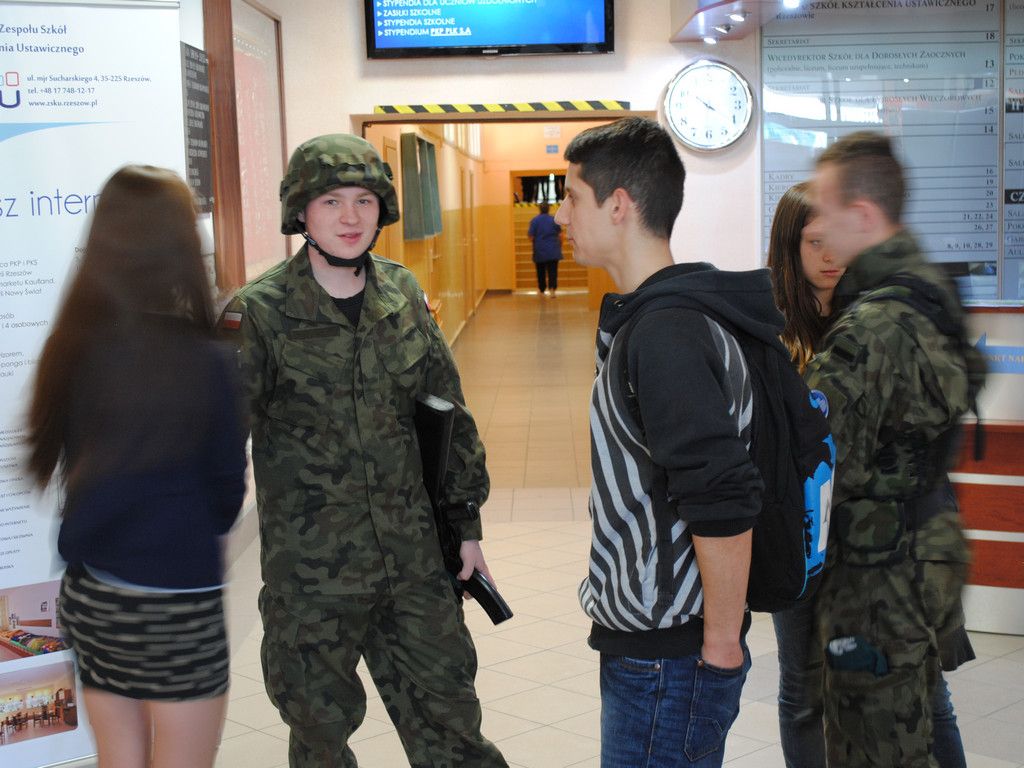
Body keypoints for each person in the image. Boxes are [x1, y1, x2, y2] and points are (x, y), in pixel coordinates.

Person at [219, 133, 507, 768]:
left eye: (364, 201)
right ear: (301, 211)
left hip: (413, 564)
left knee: (453, 730)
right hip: (313, 581)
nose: (350, 218)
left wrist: (465, 526)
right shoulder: (259, 313)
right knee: (319, 740)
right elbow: (216, 438)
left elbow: (450, 414)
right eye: (331, 201)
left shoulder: (402, 294)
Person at [558, 117, 783, 768]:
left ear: (618, 205)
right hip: (656, 647)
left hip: (670, 657)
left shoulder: (667, 334)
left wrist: (720, 647)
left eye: (572, 197)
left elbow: (722, 497)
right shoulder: (654, 319)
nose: (561, 215)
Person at [26, 165, 247, 768]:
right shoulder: (209, 360)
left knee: (120, 757)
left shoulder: (72, 349)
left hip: (92, 591)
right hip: (178, 599)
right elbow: (226, 497)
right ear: (183, 249)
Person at [806, 131, 982, 768]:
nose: (816, 227)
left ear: (862, 214)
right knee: (919, 722)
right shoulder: (931, 290)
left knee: (873, 745)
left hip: (877, 577)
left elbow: (821, 458)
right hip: (928, 541)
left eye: (823, 210)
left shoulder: (871, 326)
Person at [766, 181, 844, 768]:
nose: (831, 255)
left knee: (872, 682)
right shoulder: (770, 333)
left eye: (839, 239)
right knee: (801, 686)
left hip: (865, 531)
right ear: (789, 248)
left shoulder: (868, 321)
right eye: (815, 242)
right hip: (799, 533)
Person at [528, 201, 563, 295]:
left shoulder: (535, 220)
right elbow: (560, 235)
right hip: (553, 249)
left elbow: (531, 236)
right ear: (548, 209)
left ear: (539, 209)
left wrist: (536, 243)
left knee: (540, 271)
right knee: (553, 270)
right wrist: (559, 245)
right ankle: (552, 289)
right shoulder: (554, 220)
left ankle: (542, 289)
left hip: (539, 249)